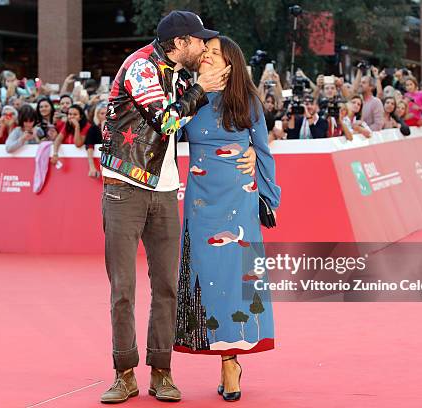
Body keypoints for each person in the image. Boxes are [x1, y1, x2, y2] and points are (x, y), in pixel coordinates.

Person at [98, 10, 256, 404]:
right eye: (199, 40)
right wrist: (200, 86)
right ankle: (124, 373)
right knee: (123, 288)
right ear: (180, 43)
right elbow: (168, 121)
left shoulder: (181, 75)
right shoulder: (140, 68)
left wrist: (248, 147)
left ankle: (162, 372)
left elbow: (215, 119)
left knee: (167, 286)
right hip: (124, 187)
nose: (204, 47)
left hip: (166, 188)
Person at [173, 35, 280, 403]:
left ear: (230, 64)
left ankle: (231, 361)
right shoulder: (189, 97)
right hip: (200, 202)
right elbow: (165, 134)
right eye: (204, 52)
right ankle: (217, 348)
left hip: (240, 200)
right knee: (207, 276)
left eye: (214, 53)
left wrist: (270, 197)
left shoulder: (246, 100)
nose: (205, 56)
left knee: (237, 278)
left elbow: (263, 149)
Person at [76, 101, 106, 177]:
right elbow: (89, 146)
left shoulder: (118, 129)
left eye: (107, 113)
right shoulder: (93, 129)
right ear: (97, 115)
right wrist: (92, 167)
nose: (105, 116)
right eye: (102, 113)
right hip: (100, 164)